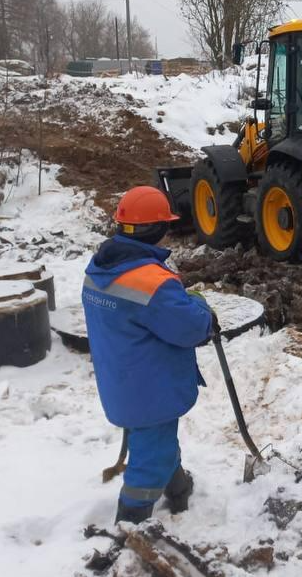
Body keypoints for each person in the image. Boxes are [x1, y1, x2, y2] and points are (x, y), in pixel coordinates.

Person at [82, 185, 215, 523]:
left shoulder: (99, 269)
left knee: (157, 442)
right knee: (150, 459)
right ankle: (130, 522)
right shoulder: (152, 283)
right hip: (152, 387)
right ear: (158, 229)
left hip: (123, 378)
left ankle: (179, 487)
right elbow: (190, 328)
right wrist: (200, 306)